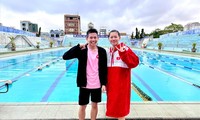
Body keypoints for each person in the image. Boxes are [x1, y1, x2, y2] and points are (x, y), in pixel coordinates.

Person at [62, 28, 107, 120]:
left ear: (98, 38)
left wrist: (104, 83)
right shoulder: (82, 50)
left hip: (97, 84)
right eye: (91, 37)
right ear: (87, 39)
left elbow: (104, 69)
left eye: (95, 37)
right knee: (83, 106)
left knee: (94, 105)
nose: (93, 40)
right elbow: (65, 56)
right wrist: (77, 46)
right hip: (84, 84)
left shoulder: (102, 51)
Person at [106, 30, 139, 120]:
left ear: (119, 38)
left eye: (115, 37)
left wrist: (123, 54)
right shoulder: (108, 52)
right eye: (111, 37)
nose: (113, 39)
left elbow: (135, 63)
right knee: (113, 110)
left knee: (121, 112)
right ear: (108, 39)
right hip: (111, 86)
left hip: (122, 86)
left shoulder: (125, 48)